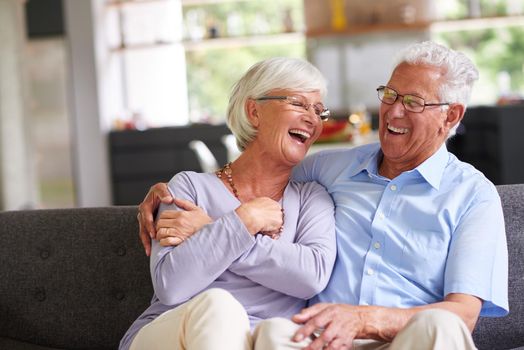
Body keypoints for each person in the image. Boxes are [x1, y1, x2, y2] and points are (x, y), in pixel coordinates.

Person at [137, 41, 509, 350]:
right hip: (318, 339)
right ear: (254, 111)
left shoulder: (473, 195)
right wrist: (162, 193)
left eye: (413, 102)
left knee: (441, 327)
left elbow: (463, 315)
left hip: (404, 338)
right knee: (273, 331)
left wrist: (365, 319)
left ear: (450, 116)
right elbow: (263, 169)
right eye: (391, 95)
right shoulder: (329, 170)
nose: (393, 111)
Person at [119, 57, 337, 350]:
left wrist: (211, 229)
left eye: (319, 110)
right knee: (220, 306)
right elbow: (172, 285)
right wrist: (244, 220)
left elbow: (310, 276)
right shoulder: (188, 188)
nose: (312, 118)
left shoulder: (312, 198)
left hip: (263, 340)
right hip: (174, 334)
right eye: (298, 103)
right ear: (254, 111)